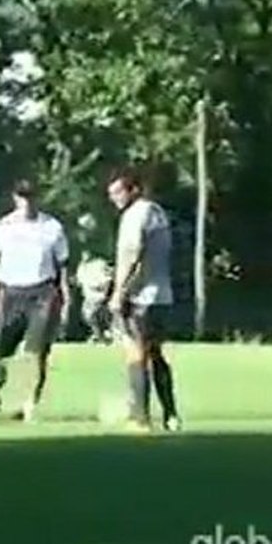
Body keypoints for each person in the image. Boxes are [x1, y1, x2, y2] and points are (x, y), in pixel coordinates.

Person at [0, 179, 71, 422]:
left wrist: (66, 297)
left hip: (42, 293)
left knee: (36, 353)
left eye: (31, 196)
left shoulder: (51, 227)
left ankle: (29, 405)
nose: (27, 201)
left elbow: (62, 265)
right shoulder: (2, 227)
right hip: (10, 292)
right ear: (15, 198)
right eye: (22, 196)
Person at [106, 168, 181, 432]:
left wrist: (119, 292)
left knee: (135, 353)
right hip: (163, 294)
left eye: (118, 192)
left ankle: (140, 417)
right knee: (156, 354)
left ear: (134, 189)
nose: (114, 198)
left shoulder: (135, 214)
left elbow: (132, 253)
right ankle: (171, 415)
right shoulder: (158, 212)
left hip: (141, 297)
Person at [75, 251, 113, 343]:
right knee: (88, 317)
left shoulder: (100, 264)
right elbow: (80, 281)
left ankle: (104, 335)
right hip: (88, 296)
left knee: (93, 316)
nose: (85, 256)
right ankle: (100, 335)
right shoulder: (82, 267)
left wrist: (105, 293)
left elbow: (108, 279)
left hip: (98, 296)